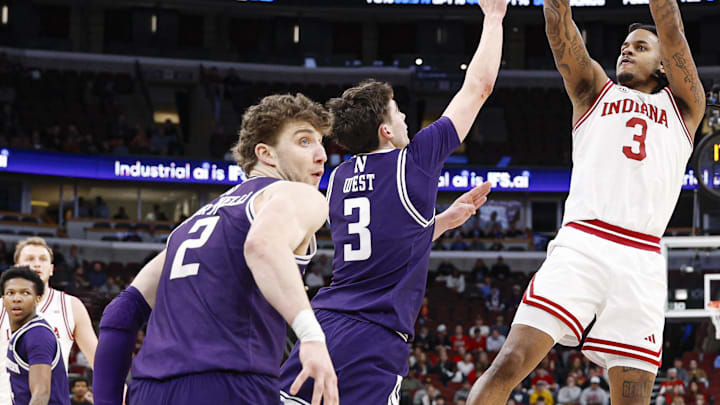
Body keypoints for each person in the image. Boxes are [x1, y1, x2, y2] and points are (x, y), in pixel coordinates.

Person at [467, 0, 705, 403]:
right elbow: (559, 24)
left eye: (641, 47)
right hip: (582, 245)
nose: (626, 50)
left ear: (664, 66)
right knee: (510, 361)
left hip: (642, 260)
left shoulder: (685, 107)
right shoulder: (593, 89)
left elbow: (672, 26)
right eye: (625, 45)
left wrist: (665, 26)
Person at [279, 1, 506, 402]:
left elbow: (385, 242)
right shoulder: (414, 161)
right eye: (399, 112)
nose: (406, 119)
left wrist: (443, 222)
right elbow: (478, 87)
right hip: (373, 336)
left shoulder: (338, 179)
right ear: (386, 130)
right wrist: (494, 17)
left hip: (325, 324)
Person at [92, 93, 338, 405]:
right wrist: (312, 336)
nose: (321, 155)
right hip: (229, 384)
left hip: (149, 390)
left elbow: (119, 314)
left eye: (321, 143)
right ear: (266, 154)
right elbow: (263, 245)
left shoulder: (189, 225)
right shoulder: (296, 195)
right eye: (304, 142)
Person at [0, 237, 97, 405]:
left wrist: (120, 389)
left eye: (43, 259)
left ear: (51, 269)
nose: (37, 264)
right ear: (16, 268)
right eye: (30, 259)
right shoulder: (2, 306)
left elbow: (98, 359)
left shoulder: (71, 306)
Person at [2, 266, 70, 405]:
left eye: (25, 293)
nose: (17, 298)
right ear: (3, 298)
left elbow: (41, 394)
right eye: (10, 293)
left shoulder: (37, 335)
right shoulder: (25, 332)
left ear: (37, 299)